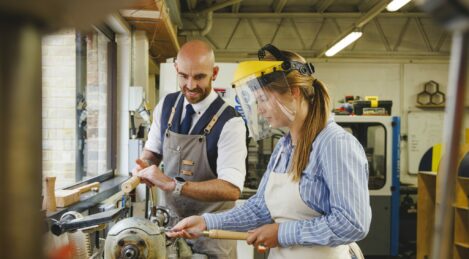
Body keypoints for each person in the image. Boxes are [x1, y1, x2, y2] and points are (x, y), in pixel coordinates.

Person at [167, 44, 372, 259]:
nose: (260, 109)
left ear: (293, 92)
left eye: (263, 99)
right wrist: (206, 221)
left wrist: (283, 233)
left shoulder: (335, 144)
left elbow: (352, 223)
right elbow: (260, 208)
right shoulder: (284, 147)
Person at [133, 40, 247, 259]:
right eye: (184, 76)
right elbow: (152, 152)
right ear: (176, 69)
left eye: (199, 77)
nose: (191, 85)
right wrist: (144, 167)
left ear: (214, 73)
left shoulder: (230, 122)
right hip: (172, 230)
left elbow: (232, 188)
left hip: (212, 236)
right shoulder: (166, 106)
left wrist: (173, 185)